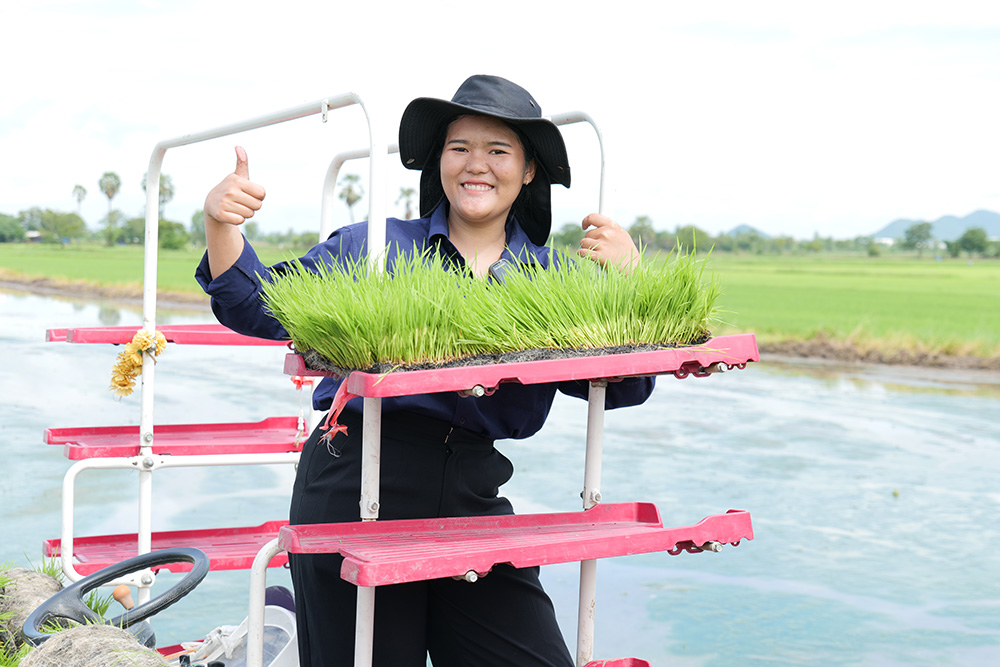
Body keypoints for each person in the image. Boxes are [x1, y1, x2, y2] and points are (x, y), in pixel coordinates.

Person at [196, 75, 654, 667]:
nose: (476, 164)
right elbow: (255, 304)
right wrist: (221, 225)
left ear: (529, 171)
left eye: (498, 150)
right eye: (459, 147)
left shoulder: (555, 280)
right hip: (355, 478)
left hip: (472, 491)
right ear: (439, 161)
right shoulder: (373, 248)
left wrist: (629, 283)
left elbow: (623, 387)